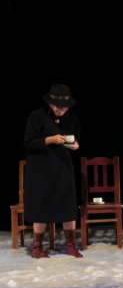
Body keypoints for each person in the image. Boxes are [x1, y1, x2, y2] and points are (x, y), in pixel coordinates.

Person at [24, 83, 83, 259]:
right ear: (51, 103)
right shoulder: (37, 116)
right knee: (41, 204)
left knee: (68, 204)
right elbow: (28, 143)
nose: (61, 111)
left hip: (62, 167)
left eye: (64, 108)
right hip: (41, 168)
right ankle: (37, 248)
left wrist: (75, 145)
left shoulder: (71, 117)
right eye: (58, 107)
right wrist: (49, 139)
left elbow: (76, 137)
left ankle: (71, 246)